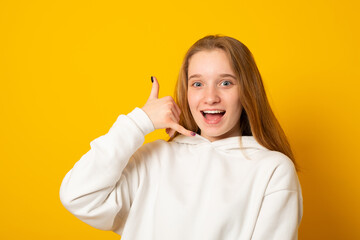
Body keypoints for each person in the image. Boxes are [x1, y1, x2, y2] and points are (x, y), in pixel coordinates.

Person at [60, 35, 303, 239]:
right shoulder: (153, 158)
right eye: (197, 84)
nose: (210, 97)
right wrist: (138, 123)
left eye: (226, 83)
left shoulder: (272, 170)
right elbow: (78, 196)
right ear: (185, 92)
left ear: (247, 91)